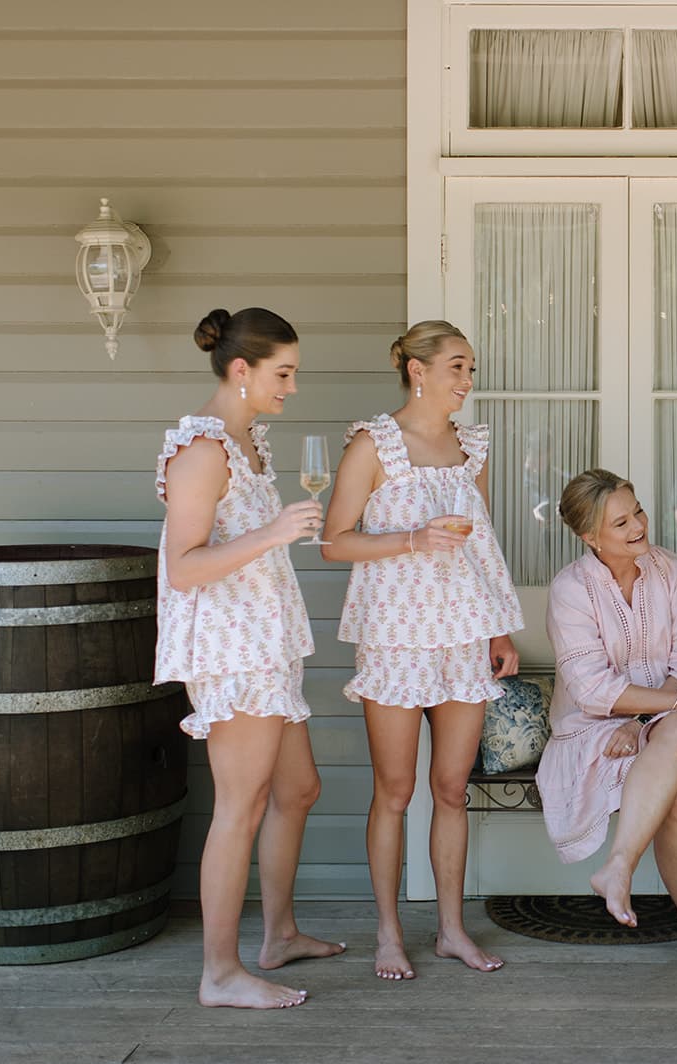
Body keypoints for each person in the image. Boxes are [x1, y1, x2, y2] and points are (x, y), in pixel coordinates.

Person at [154, 307, 345, 1010]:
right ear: (242, 370)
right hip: (230, 651)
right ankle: (220, 971)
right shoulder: (201, 451)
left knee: (297, 790)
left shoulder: (248, 440)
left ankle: (280, 935)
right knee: (240, 806)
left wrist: (273, 532)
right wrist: (272, 533)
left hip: (266, 643)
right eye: (283, 373)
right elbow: (183, 568)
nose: (292, 388)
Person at [321, 320, 523, 979]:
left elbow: (485, 546)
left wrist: (499, 629)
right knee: (396, 789)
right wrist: (411, 541)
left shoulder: (473, 448)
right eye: (458, 367)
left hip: (463, 636)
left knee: (452, 789)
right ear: (418, 370)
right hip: (397, 636)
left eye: (471, 369)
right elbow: (335, 541)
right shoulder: (373, 444)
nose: (468, 381)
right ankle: (387, 932)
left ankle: (452, 931)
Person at [536, 469, 677, 985]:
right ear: (590, 537)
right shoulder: (570, 590)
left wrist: (650, 716)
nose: (638, 527)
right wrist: (643, 717)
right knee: (672, 788)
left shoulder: (671, 570)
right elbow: (590, 689)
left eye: (638, 512)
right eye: (620, 522)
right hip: (596, 729)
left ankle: (618, 867)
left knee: (674, 735)